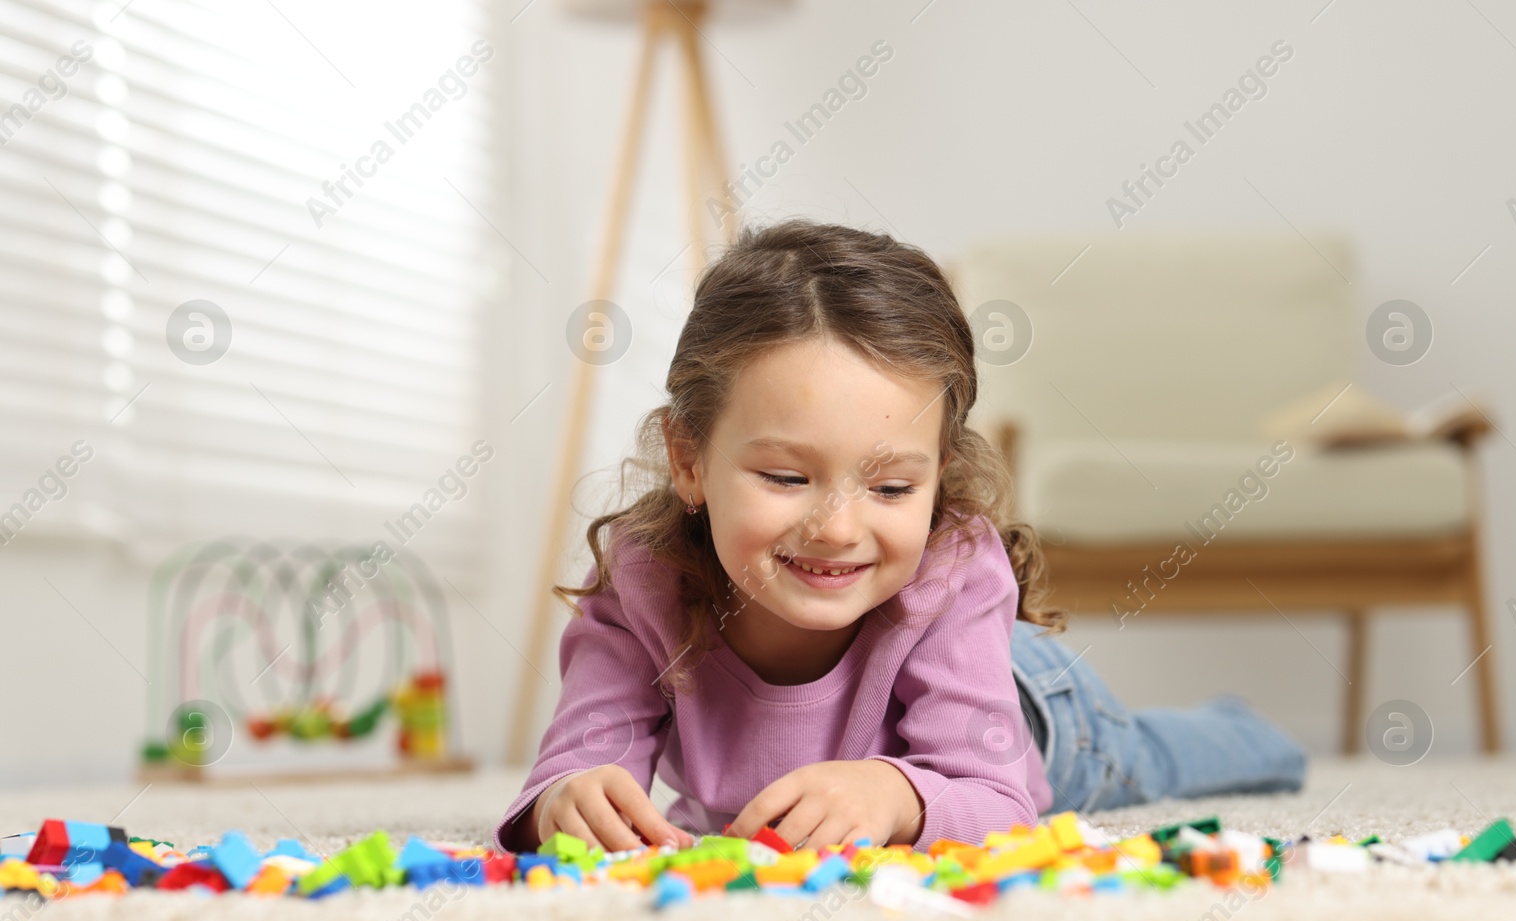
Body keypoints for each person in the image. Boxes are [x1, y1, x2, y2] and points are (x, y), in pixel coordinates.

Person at [494, 219, 1305, 854]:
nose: (839, 527)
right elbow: (569, 771)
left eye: (889, 487)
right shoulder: (644, 583)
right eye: (786, 477)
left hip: (1036, 713)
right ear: (689, 458)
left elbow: (995, 801)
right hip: (946, 680)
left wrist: (898, 795)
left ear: (938, 475)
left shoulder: (950, 570)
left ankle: (1251, 728)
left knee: (1150, 761)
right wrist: (567, 800)